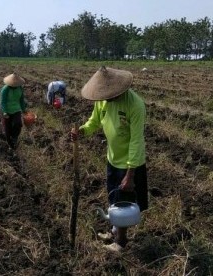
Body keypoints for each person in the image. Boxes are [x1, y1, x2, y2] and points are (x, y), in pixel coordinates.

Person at [71, 66, 148, 252]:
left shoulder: (135, 105)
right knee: (113, 197)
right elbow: (94, 121)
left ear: (119, 90)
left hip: (129, 162)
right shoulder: (103, 102)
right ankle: (115, 230)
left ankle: (121, 243)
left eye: (109, 95)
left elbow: (136, 141)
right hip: (112, 159)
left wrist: (130, 174)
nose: (106, 98)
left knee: (123, 203)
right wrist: (82, 131)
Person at [0, 73, 26, 150]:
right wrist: (4, 112)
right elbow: (3, 102)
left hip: (16, 109)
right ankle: (10, 145)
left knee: (18, 123)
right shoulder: (5, 89)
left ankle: (15, 138)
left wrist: (23, 109)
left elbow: (21, 100)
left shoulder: (20, 88)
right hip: (6, 110)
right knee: (7, 130)